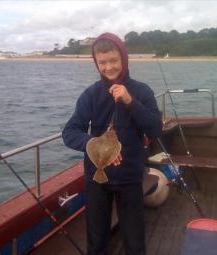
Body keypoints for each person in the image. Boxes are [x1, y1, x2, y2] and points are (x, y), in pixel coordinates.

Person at [62, 32, 162, 255]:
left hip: (130, 177)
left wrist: (130, 101)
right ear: (96, 63)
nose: (109, 67)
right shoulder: (91, 95)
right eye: (102, 63)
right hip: (97, 177)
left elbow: (155, 129)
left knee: (134, 240)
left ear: (123, 59)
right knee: (96, 241)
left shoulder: (142, 91)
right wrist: (95, 144)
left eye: (113, 61)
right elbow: (70, 132)